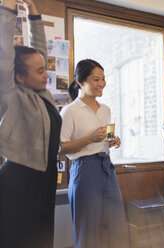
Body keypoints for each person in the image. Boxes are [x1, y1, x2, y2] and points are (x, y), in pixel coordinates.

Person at [0, 1, 62, 247]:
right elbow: (5, 54)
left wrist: (34, 15)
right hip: (18, 181)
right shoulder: (11, 95)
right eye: (39, 71)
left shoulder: (43, 95)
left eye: (44, 69)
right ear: (19, 76)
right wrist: (7, 12)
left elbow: (39, 52)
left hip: (44, 180)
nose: (46, 74)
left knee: (42, 240)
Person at [59, 59, 128, 248]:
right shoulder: (69, 111)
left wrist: (114, 140)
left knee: (117, 224)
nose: (102, 84)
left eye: (103, 79)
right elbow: (60, 148)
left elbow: (106, 139)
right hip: (84, 170)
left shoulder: (106, 110)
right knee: (87, 229)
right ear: (81, 82)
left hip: (106, 167)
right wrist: (89, 139)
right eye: (96, 79)